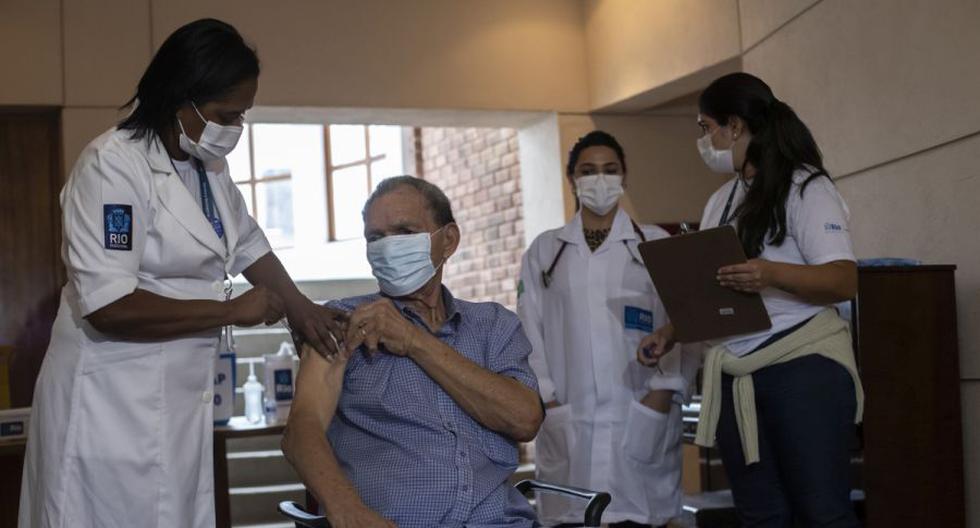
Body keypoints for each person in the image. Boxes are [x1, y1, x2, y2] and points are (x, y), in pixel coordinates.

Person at [19, 19, 344, 528]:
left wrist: (303, 311)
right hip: (109, 406)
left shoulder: (205, 168)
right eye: (226, 114)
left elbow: (250, 245)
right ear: (180, 99)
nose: (235, 128)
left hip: (176, 401)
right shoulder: (113, 167)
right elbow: (109, 306)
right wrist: (234, 310)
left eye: (242, 115)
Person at [638, 73, 864, 527]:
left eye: (707, 127)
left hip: (802, 369)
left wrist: (769, 273)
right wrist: (671, 332)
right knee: (760, 516)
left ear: (735, 126)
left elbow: (842, 280)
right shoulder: (721, 199)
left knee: (822, 512)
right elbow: (714, 288)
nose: (704, 140)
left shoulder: (805, 187)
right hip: (736, 373)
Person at [281, 176, 545, 528]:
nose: (388, 247)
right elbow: (302, 429)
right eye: (375, 238)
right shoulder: (343, 322)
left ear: (448, 241)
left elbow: (524, 418)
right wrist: (347, 510)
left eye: (404, 232)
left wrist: (414, 340)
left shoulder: (493, 325)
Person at [517, 131, 698, 527]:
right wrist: (547, 401)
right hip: (567, 420)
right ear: (572, 180)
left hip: (641, 412)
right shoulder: (545, 252)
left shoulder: (654, 244)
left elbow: (685, 323)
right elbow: (529, 331)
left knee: (638, 517)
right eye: (588, 171)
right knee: (572, 516)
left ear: (624, 177)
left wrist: (664, 393)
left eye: (610, 170)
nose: (600, 179)